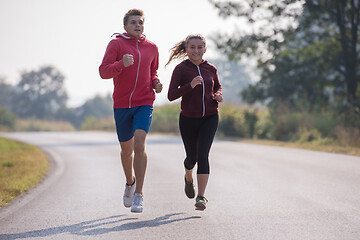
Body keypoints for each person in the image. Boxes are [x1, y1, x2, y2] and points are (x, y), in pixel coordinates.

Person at [99, 9, 162, 213]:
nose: (138, 25)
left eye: (140, 22)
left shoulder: (152, 47)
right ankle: (130, 182)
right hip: (121, 104)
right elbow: (103, 71)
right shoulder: (116, 44)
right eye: (133, 22)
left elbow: (153, 71)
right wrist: (120, 64)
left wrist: (156, 82)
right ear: (125, 26)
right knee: (127, 151)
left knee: (140, 142)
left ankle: (139, 195)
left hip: (144, 101)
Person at [166, 34, 223, 211]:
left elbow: (217, 86)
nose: (196, 50)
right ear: (186, 49)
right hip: (188, 119)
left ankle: (201, 196)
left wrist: (218, 95)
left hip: (210, 117)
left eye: (200, 47)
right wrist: (189, 86)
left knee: (203, 154)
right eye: (192, 47)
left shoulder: (211, 68)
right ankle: (188, 177)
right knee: (191, 158)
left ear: (205, 49)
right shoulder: (181, 69)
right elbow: (171, 95)